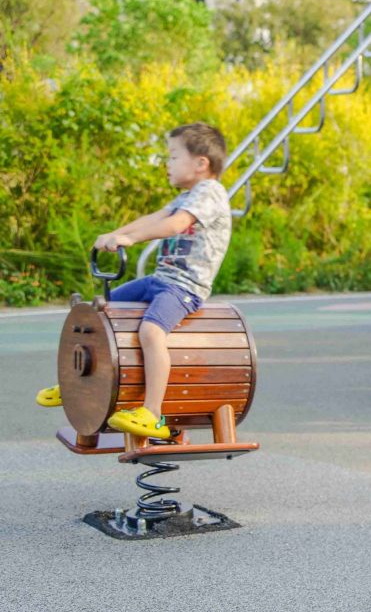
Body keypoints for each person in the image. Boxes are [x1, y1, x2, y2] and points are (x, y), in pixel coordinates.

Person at [37, 123, 232, 439]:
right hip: (160, 279)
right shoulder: (187, 195)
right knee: (100, 311)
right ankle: (74, 381)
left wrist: (131, 240)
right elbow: (153, 218)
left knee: (151, 331)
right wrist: (119, 234)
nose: (167, 164)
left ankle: (152, 413)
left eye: (172, 157)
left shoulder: (210, 193)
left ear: (201, 163)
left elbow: (173, 226)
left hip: (184, 287)